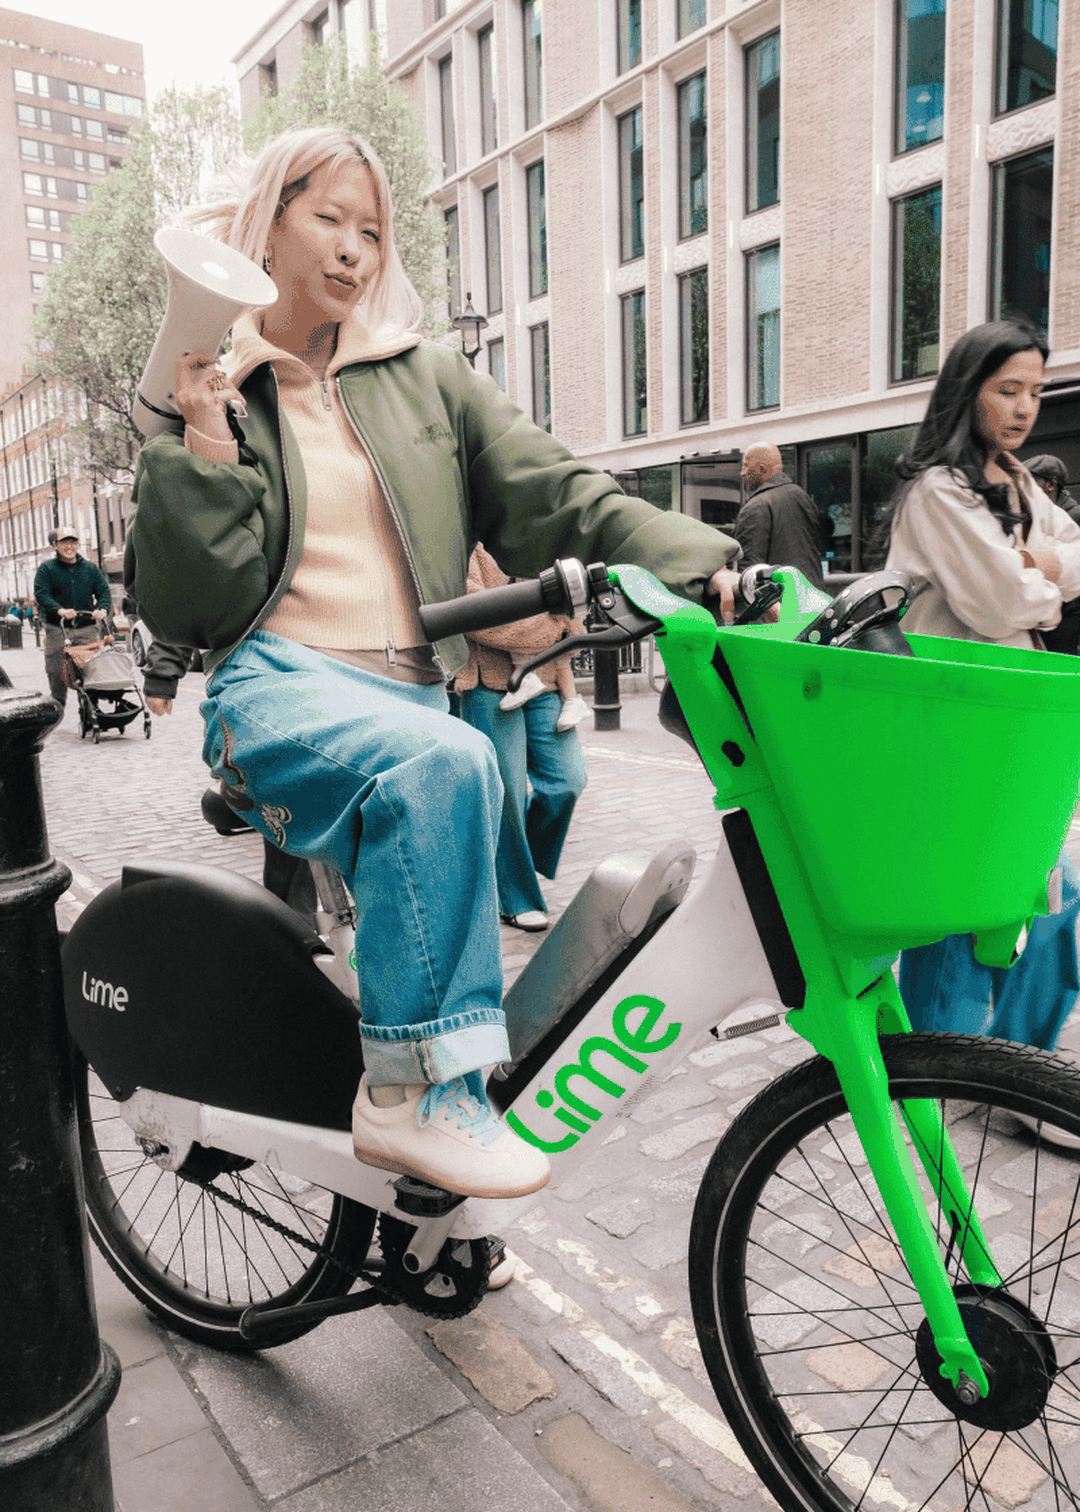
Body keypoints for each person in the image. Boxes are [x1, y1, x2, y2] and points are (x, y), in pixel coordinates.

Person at [125, 126, 742, 1200]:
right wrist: (208, 446)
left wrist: (705, 565)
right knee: (448, 768)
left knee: (436, 825)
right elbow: (187, 606)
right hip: (276, 686)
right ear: (267, 221)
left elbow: (561, 493)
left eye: (373, 230)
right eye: (328, 219)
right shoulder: (213, 388)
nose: (356, 250)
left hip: (411, 689)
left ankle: (430, 1215)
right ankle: (412, 1101)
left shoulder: (425, 378)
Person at [881, 319, 1080, 1082]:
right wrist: (1042, 581)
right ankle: (933, 1080)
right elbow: (1002, 604)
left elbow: (1066, 560)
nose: (1026, 406)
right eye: (1008, 389)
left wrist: (1039, 569)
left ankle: (1012, 1068)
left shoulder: (1020, 482)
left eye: (1036, 389)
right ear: (969, 390)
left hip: (1006, 731)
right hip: (949, 730)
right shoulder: (938, 491)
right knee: (959, 917)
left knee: (1045, 894)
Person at [454, 544, 587, 933]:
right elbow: (479, 617)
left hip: (546, 683)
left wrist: (567, 622)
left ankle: (513, 862)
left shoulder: (538, 540)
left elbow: (574, 613)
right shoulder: (467, 547)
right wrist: (555, 626)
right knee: (508, 792)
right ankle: (517, 897)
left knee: (567, 782)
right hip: (489, 683)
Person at [732, 444, 831, 589]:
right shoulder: (802, 497)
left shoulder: (755, 507)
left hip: (781, 604)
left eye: (746, 466)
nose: (742, 473)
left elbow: (749, 572)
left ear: (762, 469)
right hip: (814, 597)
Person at [34, 526, 111, 708]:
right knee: (56, 669)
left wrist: (103, 609)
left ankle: (90, 710)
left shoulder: (90, 569)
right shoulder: (47, 569)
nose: (69, 546)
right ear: (55, 545)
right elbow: (41, 594)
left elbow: (104, 592)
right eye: (64, 542)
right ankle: (58, 704)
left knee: (90, 669)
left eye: (73, 541)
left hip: (87, 627)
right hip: (58, 628)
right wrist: (59, 609)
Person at [1025, 454, 1080, 654]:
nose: (1025, 485)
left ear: (1051, 484)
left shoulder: (1073, 516)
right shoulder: (1038, 516)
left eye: (1032, 479)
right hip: (1044, 613)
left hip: (1068, 614)